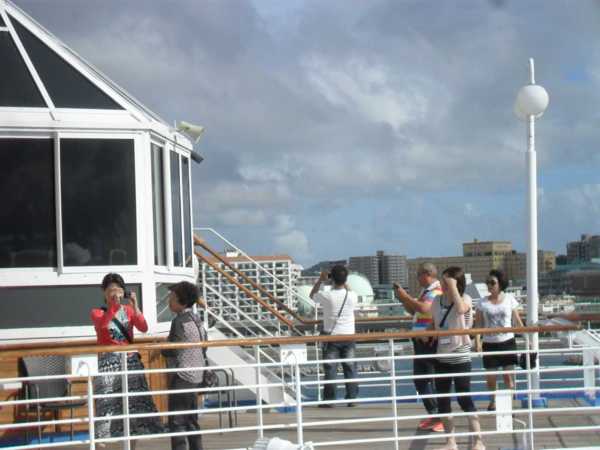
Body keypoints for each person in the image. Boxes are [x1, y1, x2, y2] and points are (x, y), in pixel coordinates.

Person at [91, 273, 163, 444]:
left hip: (130, 362)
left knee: (135, 407)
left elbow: (143, 327)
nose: (115, 293)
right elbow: (102, 327)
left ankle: (133, 443)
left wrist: (135, 305)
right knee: (108, 406)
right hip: (108, 363)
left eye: (118, 289)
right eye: (111, 290)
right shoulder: (97, 312)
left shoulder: (129, 311)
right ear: (104, 292)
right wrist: (114, 306)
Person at [431, 267, 485, 450]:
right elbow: (435, 323)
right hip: (441, 356)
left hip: (460, 355)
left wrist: (453, 287)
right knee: (443, 401)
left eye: (447, 281)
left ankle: (478, 441)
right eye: (443, 281)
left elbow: (461, 309)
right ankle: (450, 442)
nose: (443, 284)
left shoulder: (465, 299)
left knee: (464, 398)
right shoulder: (437, 301)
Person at [393, 262, 444, 432]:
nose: (416, 278)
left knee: (430, 379)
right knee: (421, 379)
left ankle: (440, 417)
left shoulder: (436, 291)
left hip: (429, 341)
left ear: (427, 274)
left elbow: (424, 307)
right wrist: (403, 299)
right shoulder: (426, 291)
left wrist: (406, 297)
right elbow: (415, 311)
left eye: (418, 274)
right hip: (420, 340)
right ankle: (435, 414)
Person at [161, 281, 206, 450]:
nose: (169, 301)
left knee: (177, 421)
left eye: (172, 298)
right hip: (196, 376)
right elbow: (204, 345)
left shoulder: (179, 321)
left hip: (182, 376)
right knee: (191, 420)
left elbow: (173, 349)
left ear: (182, 301)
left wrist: (162, 347)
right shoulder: (196, 319)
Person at [475, 269, 524, 411]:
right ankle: (493, 401)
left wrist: (528, 338)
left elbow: (517, 321)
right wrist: (477, 342)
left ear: (500, 283)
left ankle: (509, 404)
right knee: (491, 378)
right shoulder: (482, 302)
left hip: (507, 343)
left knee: (508, 377)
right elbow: (478, 325)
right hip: (489, 344)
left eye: (492, 282)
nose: (489, 285)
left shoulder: (509, 299)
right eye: (487, 282)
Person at [310, 265, 359, 407]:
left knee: (330, 370)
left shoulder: (327, 295)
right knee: (350, 368)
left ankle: (330, 400)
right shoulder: (352, 296)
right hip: (349, 337)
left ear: (332, 279)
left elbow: (312, 295)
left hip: (331, 338)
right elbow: (348, 289)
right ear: (346, 279)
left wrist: (320, 280)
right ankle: (352, 399)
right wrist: (343, 281)